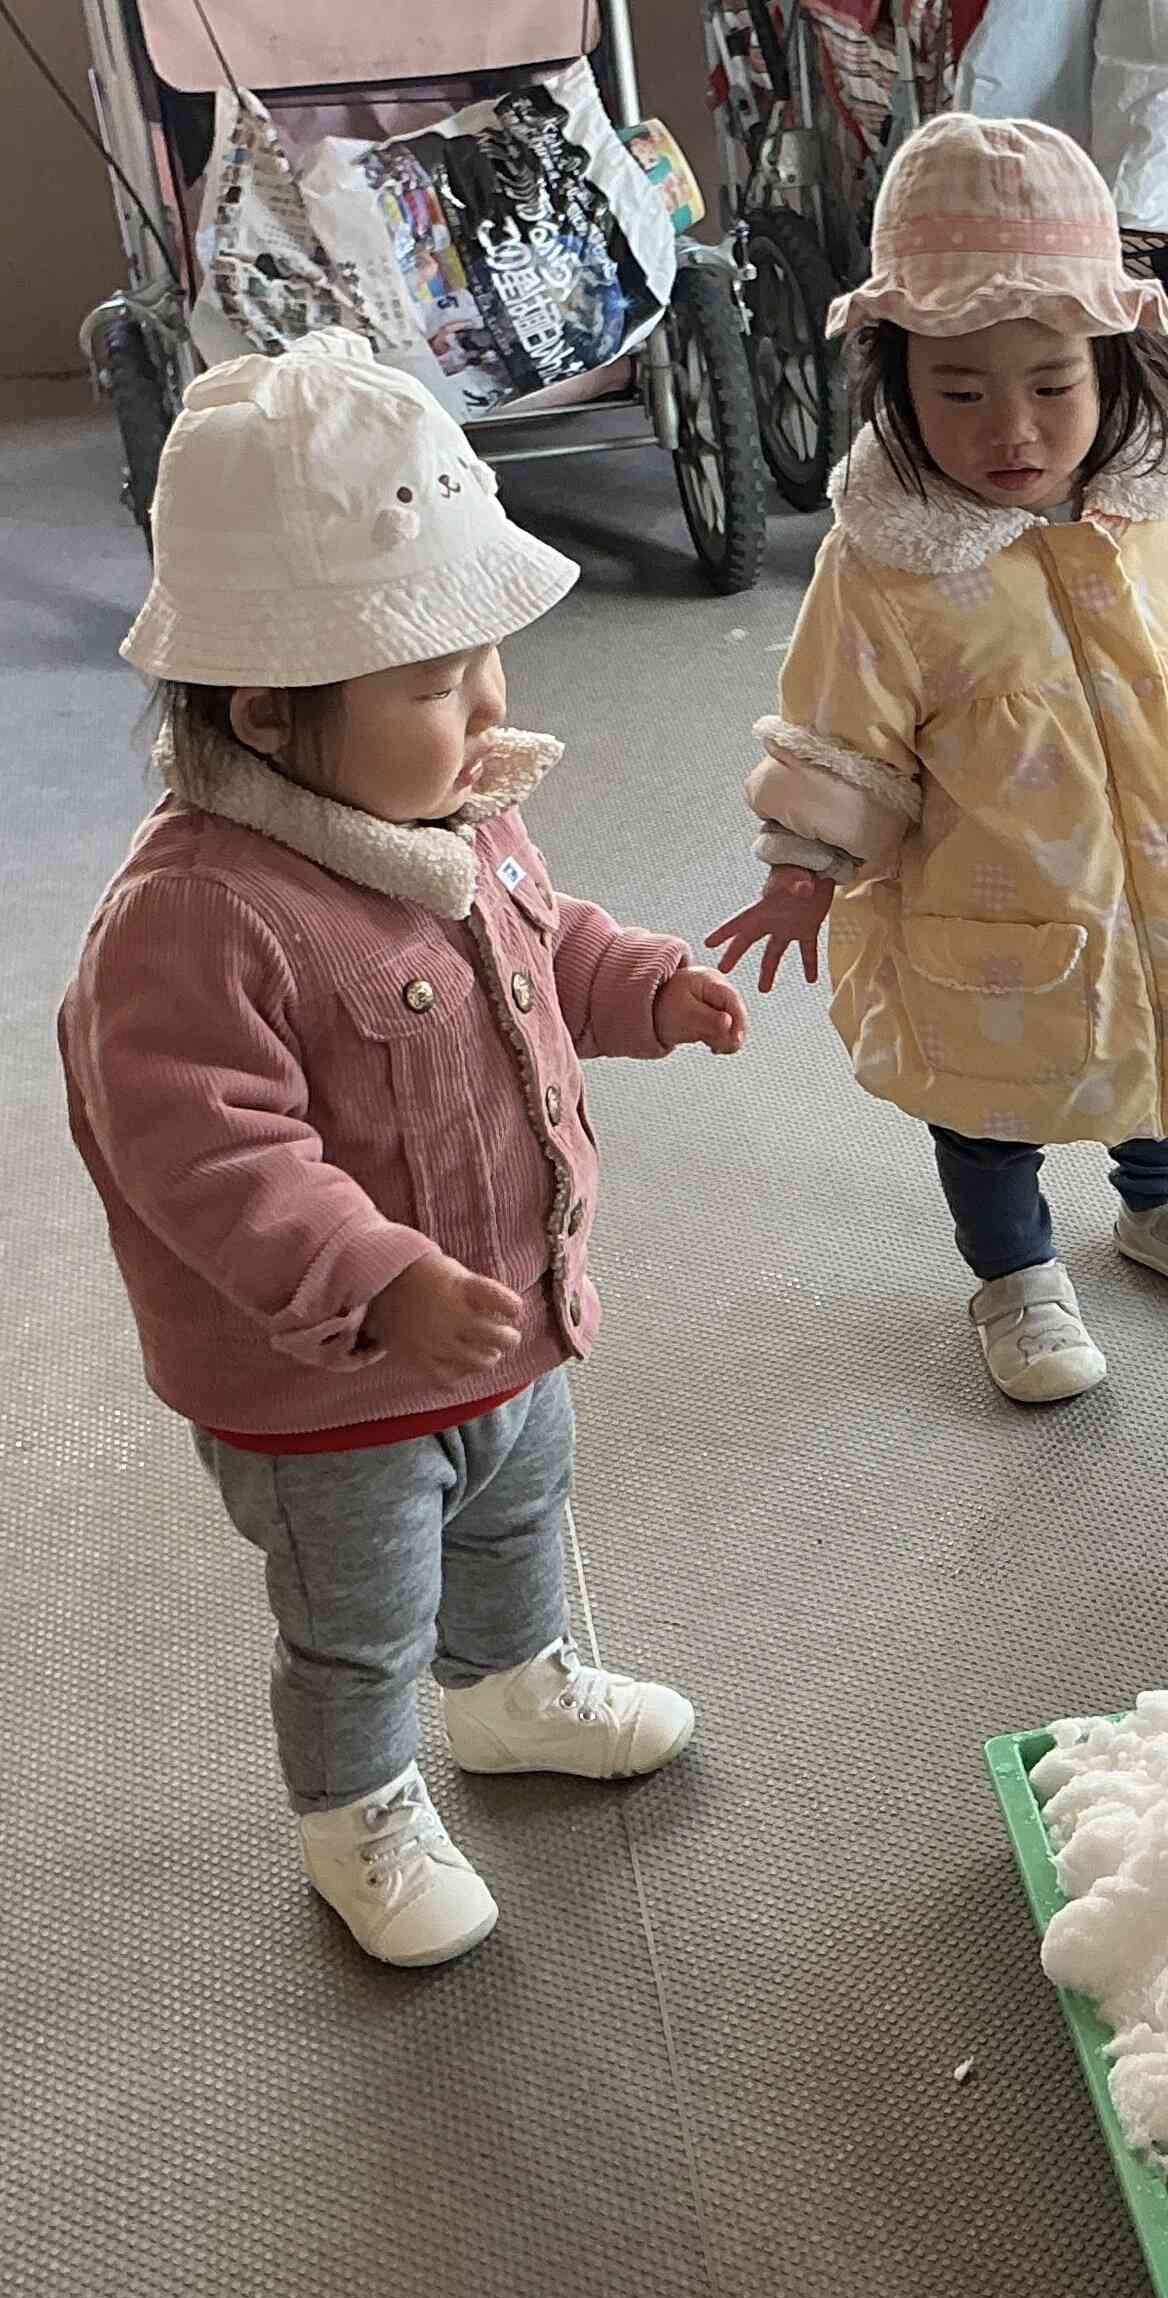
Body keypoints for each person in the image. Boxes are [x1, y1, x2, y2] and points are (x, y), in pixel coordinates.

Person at [61, 332, 748, 1968]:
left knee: (521, 1522)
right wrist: (376, 1280)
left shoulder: (452, 811)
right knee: (359, 1621)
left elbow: (541, 941)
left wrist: (644, 985)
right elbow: (210, 1156)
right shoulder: (197, 918)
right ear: (272, 714)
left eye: (485, 658)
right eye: (435, 680)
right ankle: (356, 1808)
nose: (487, 703)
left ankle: (513, 1693)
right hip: (331, 1388)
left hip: (509, 1318)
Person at [710, 116, 1168, 1405]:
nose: (1012, 429)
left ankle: (1165, 1201)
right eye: (960, 393)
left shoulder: (1164, 494)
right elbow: (837, 726)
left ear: (1117, 365)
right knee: (986, 1092)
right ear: (901, 384)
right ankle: (1015, 1273)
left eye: (1052, 385)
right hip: (997, 898)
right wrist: (804, 870)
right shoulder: (886, 561)